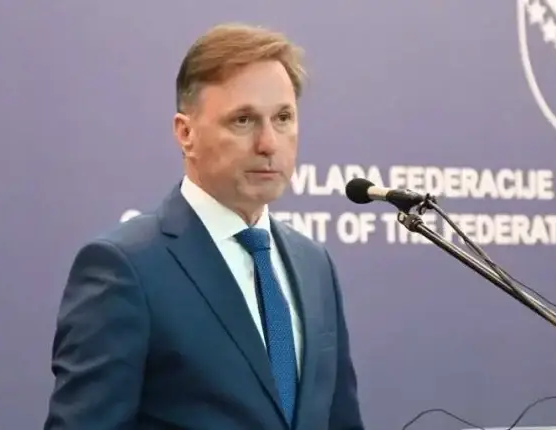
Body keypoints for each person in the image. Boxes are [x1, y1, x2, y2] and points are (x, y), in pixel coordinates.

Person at [44, 23, 365, 430]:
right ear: (186, 133)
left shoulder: (313, 264)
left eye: (283, 117)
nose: (269, 143)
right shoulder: (126, 268)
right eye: (243, 120)